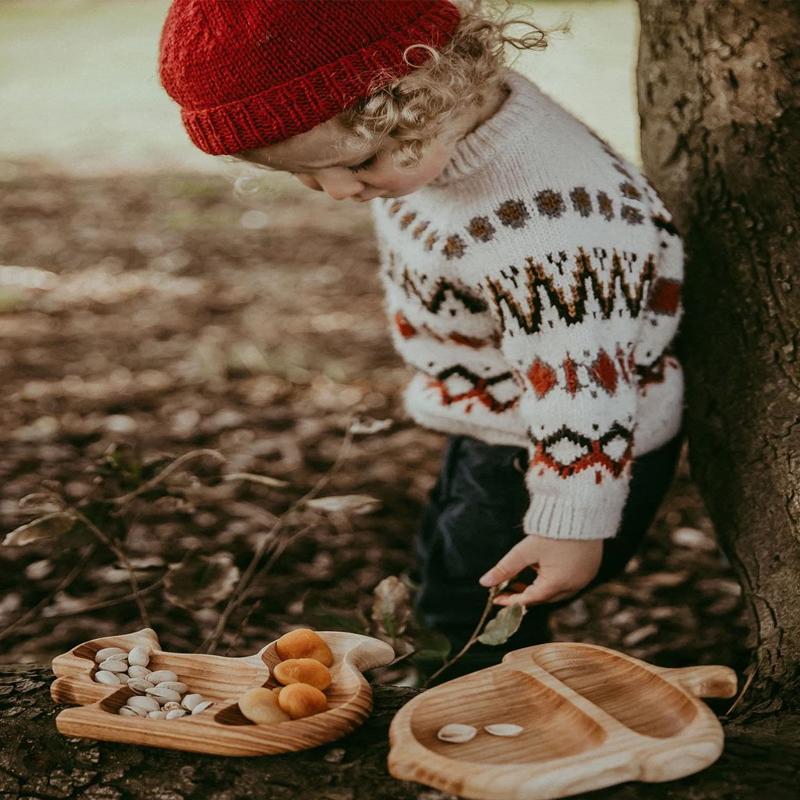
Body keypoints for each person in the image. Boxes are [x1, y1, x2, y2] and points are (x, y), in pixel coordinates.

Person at [158, 0, 685, 683]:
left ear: (423, 91)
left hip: (574, 443)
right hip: (512, 414)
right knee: (448, 551)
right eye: (306, 175)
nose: (339, 191)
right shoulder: (465, 117)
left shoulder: (548, 224)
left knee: (474, 600)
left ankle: (481, 710)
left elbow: (587, 381)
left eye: (359, 161)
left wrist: (572, 525)